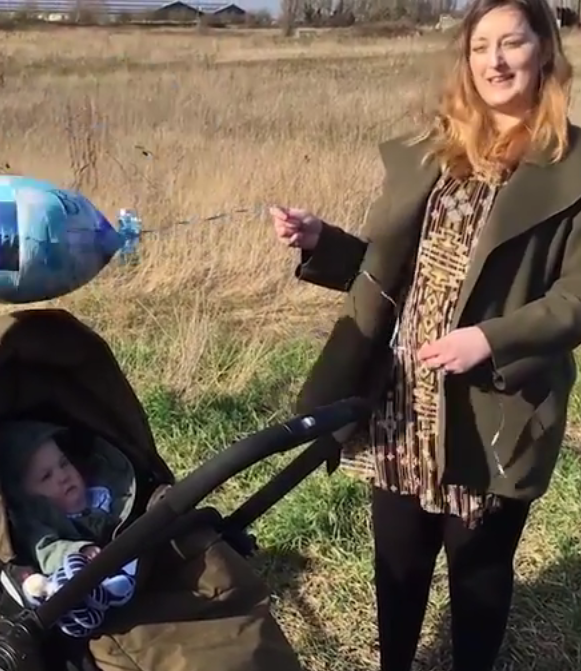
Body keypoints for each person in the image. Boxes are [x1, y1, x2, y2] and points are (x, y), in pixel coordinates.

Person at [271, 1, 581, 669]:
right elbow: (395, 275)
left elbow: (574, 300)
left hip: (493, 404)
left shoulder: (573, 166)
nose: (495, 61)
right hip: (404, 401)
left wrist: (489, 339)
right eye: (480, 47)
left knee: (479, 572)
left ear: (546, 52)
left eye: (512, 43)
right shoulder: (439, 152)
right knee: (398, 563)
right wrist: (322, 243)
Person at [0, 420, 138, 575]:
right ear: (26, 498)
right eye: (46, 477)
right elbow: (47, 550)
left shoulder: (102, 485)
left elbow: (128, 493)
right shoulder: (39, 524)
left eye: (63, 463)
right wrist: (78, 553)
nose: (63, 476)